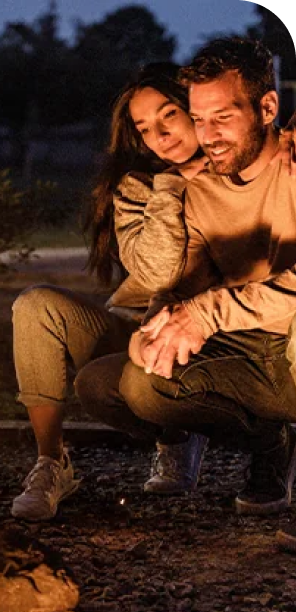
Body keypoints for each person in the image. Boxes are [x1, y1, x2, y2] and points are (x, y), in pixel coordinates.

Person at [75, 37, 296, 538]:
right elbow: (182, 283)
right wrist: (156, 326)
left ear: (267, 107)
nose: (208, 135)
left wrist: (207, 313)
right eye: (199, 119)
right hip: (247, 346)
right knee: (121, 383)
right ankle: (271, 442)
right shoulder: (197, 186)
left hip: (290, 341)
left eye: (223, 117)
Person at [11, 63, 209, 522]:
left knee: (128, 374)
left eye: (169, 116)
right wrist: (172, 187)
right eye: (145, 128)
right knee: (35, 306)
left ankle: (185, 431)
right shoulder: (140, 186)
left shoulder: (235, 174)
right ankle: (51, 462)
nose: (160, 135)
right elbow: (156, 271)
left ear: (194, 108)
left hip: (208, 333)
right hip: (138, 328)